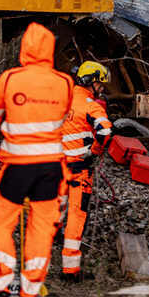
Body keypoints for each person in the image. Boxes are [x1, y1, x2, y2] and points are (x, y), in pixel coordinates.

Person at [0, 23, 73, 297]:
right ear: (50, 49)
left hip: (16, 166)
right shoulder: (64, 83)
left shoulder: (10, 79)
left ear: (24, 47)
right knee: (41, 227)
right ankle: (30, 292)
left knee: (0, 225)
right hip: (51, 167)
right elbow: (63, 117)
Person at [60, 60, 113, 281]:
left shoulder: (63, 97)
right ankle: (70, 270)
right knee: (76, 215)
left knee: (53, 211)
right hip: (79, 169)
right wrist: (94, 151)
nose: (101, 89)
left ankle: (40, 259)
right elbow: (106, 131)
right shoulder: (91, 106)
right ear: (91, 82)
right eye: (100, 84)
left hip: (55, 166)